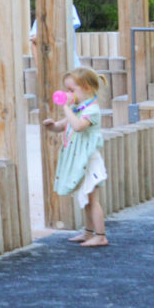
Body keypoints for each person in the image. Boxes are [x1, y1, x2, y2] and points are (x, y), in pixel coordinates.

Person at [43, 67, 109, 247]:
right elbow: (64, 125)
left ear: (87, 88)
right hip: (81, 160)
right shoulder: (79, 108)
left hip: (89, 160)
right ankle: (89, 233)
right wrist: (52, 126)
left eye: (72, 90)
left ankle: (101, 235)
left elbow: (78, 126)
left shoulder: (92, 110)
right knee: (86, 198)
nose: (68, 94)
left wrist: (65, 107)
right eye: (67, 90)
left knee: (93, 200)